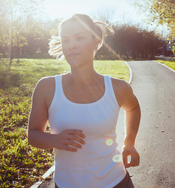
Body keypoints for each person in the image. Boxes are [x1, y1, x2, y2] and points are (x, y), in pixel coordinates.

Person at [27, 14, 141, 188]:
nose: (71, 45)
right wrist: (55, 140)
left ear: (96, 42)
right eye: (65, 40)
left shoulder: (118, 88)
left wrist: (129, 143)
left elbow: (133, 108)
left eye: (79, 38)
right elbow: (33, 135)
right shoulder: (46, 88)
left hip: (116, 182)